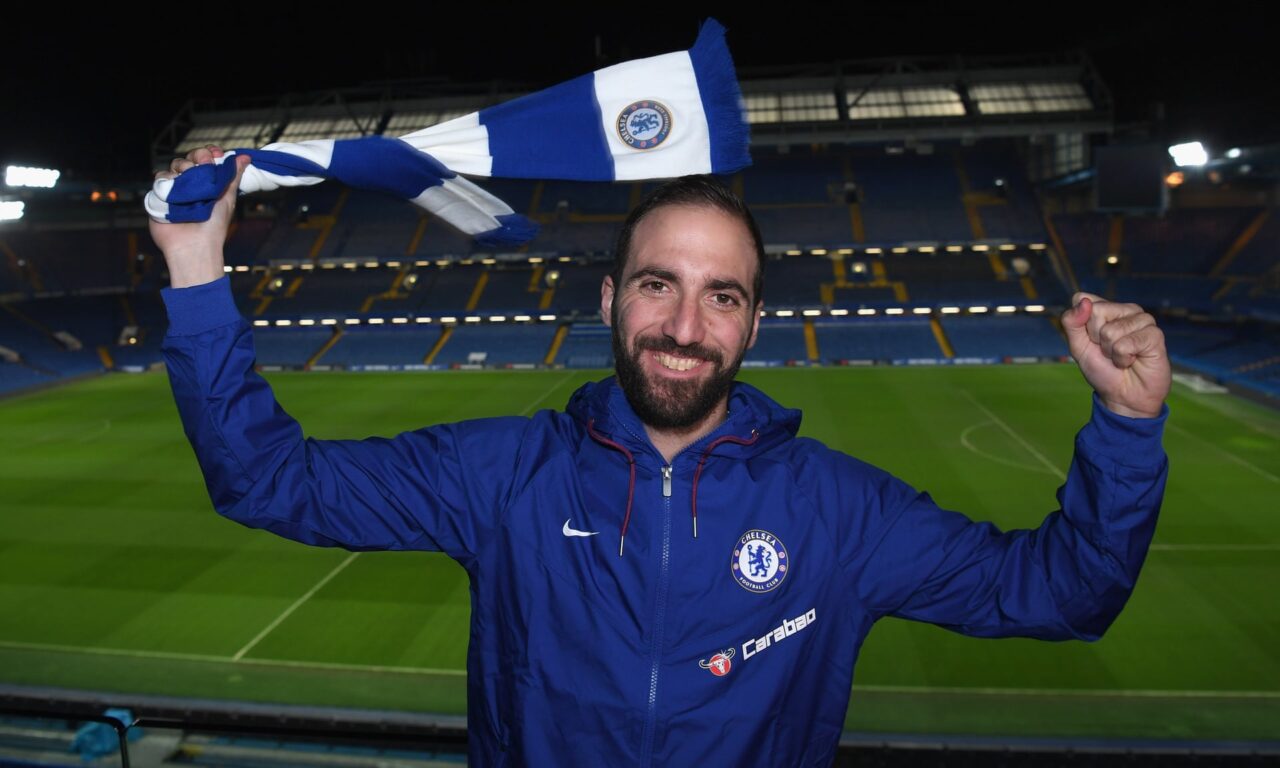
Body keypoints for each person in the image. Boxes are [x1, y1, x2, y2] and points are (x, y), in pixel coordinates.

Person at [151, 146, 1170, 768]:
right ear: (609, 300)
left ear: (753, 323)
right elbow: (265, 480)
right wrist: (195, 269)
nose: (684, 326)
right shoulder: (500, 475)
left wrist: (1126, 428)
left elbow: (1065, 594)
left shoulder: (840, 512)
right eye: (656, 285)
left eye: (720, 296)